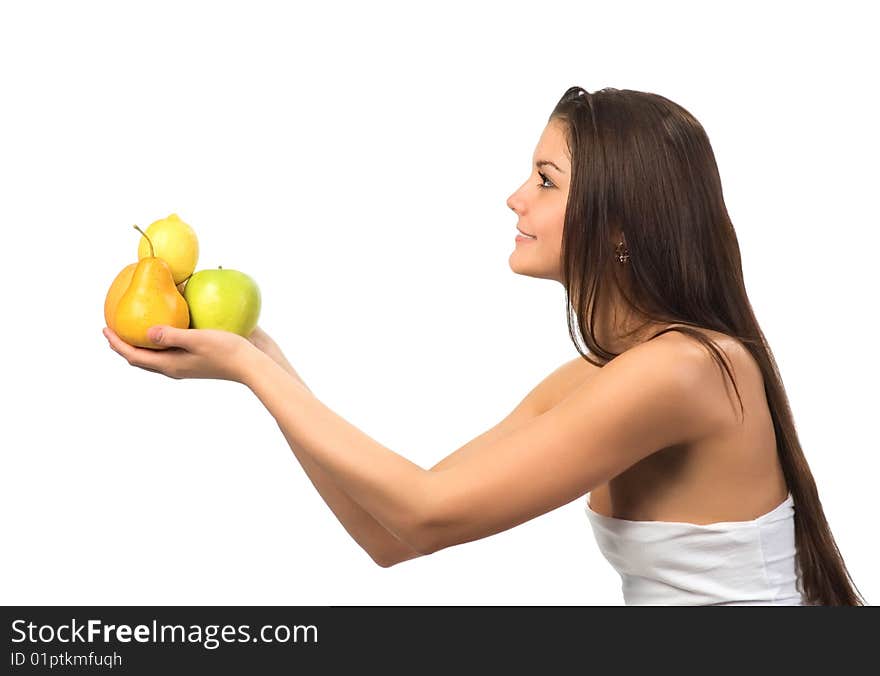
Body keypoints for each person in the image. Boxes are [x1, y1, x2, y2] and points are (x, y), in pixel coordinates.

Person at [103, 86, 866, 606]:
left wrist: (246, 369)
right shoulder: (599, 378)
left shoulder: (686, 370)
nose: (515, 197)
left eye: (545, 179)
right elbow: (391, 533)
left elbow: (426, 514)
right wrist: (262, 359)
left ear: (619, 224)